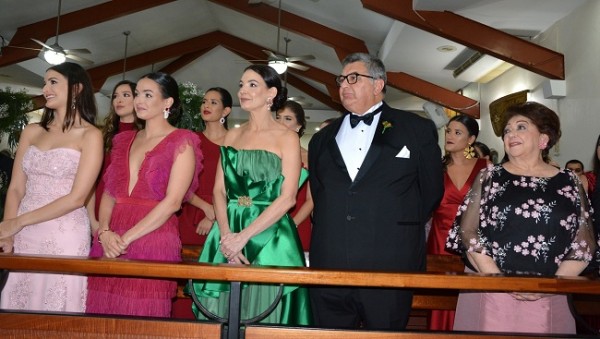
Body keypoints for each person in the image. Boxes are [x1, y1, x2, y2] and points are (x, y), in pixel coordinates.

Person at [308, 52, 444, 330]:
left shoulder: (416, 128)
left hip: (390, 260)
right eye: (341, 79)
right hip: (330, 261)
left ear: (378, 84)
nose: (344, 85)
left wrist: (389, 225)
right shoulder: (322, 139)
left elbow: (431, 191)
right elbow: (321, 194)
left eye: (353, 78)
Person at [446, 101, 596, 334]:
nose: (511, 134)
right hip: (491, 289)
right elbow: (468, 232)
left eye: (521, 127)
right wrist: (499, 280)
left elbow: (584, 243)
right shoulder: (490, 177)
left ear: (543, 138)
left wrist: (549, 285)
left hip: (551, 294)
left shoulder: (570, 181)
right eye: (507, 130)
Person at [189, 64, 311, 326]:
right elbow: (218, 191)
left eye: (252, 85)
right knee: (224, 317)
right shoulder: (232, 135)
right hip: (228, 229)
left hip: (270, 233)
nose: (243, 90)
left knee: (265, 315)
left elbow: (288, 198)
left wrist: (243, 238)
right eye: (242, 84)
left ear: (271, 94)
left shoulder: (286, 137)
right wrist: (226, 237)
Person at [86, 72, 202, 317]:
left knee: (141, 318)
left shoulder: (182, 141)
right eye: (138, 93)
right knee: (100, 316)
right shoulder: (123, 140)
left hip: (152, 236)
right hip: (110, 238)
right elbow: (109, 191)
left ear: (167, 103)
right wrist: (105, 232)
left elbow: (172, 203)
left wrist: (125, 240)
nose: (139, 100)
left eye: (148, 95)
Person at [0, 62, 103, 312]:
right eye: (45, 82)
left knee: (55, 308)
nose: (45, 88)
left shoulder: (91, 136)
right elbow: (15, 188)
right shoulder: (32, 131)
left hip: (64, 232)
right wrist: (9, 230)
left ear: (77, 89)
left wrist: (19, 221)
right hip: (24, 233)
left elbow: (78, 198)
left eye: (53, 82)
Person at [172, 87, 231, 319]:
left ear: (226, 110)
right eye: (205, 101)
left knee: (214, 275)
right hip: (189, 212)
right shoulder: (190, 139)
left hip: (223, 216)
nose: (206, 106)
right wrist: (204, 207)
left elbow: (236, 185)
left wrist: (214, 213)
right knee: (184, 272)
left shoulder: (235, 141)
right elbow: (179, 182)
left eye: (214, 102)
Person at [427, 114, 488, 331]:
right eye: (448, 131)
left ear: (471, 139)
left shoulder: (486, 167)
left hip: (473, 241)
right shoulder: (435, 167)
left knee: (472, 296)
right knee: (439, 298)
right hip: (439, 240)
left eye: (457, 132)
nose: (450, 135)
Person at [88, 80, 143, 233]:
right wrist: (92, 218)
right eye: (115, 96)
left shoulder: (145, 136)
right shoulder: (102, 136)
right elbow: (91, 179)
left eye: (126, 95)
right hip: (101, 202)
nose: (119, 100)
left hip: (131, 206)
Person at [276, 100, 313, 252]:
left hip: (297, 222)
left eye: (288, 118)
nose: (281, 122)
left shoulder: (309, 157)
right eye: (278, 117)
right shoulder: (264, 152)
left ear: (298, 126)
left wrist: (290, 225)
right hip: (263, 223)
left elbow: (312, 200)